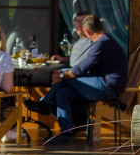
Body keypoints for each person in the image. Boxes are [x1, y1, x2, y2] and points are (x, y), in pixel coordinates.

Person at [24, 14, 128, 145]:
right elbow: (84, 67)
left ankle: (46, 103)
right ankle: (66, 133)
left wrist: (62, 75)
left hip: (107, 88)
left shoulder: (101, 44)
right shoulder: (106, 41)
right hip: (101, 84)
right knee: (63, 92)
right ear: (101, 26)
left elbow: (82, 68)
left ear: (87, 31)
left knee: (63, 74)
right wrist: (64, 75)